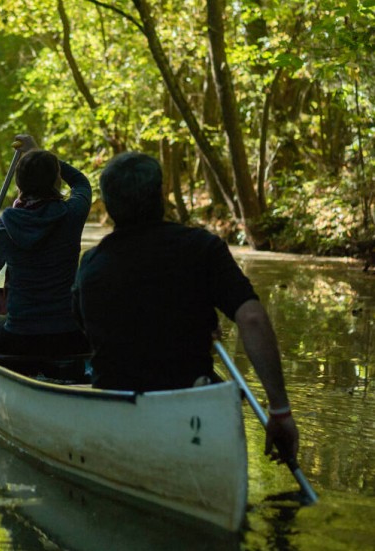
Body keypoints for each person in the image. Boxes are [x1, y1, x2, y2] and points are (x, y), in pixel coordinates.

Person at [72, 151, 299, 464]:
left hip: (118, 405)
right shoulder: (203, 248)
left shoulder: (91, 266)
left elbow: (89, 329)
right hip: (193, 402)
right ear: (161, 197)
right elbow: (252, 318)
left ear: (108, 208)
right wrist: (280, 411)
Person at [0, 134, 92, 357]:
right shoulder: (73, 214)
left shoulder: (5, 225)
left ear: (18, 184)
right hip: (69, 337)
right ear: (57, 179)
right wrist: (38, 152)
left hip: (20, 338)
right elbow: (81, 182)